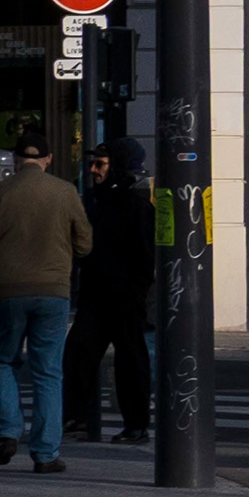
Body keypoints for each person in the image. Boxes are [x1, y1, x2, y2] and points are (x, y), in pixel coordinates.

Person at [0, 128, 89, 471]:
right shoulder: (65, 192)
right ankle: (46, 453)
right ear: (48, 159)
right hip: (53, 291)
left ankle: (7, 432)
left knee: (4, 362)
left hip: (7, 290)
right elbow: (85, 244)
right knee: (48, 372)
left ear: (17, 161)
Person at [75, 140, 157, 442]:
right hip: (97, 294)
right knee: (79, 353)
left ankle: (136, 425)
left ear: (117, 167)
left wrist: (136, 290)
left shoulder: (136, 206)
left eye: (101, 164)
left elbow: (146, 256)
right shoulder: (97, 201)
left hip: (125, 296)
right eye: (93, 163)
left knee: (130, 361)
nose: (93, 170)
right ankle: (77, 419)